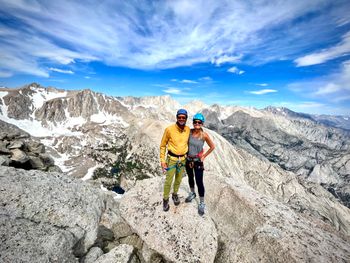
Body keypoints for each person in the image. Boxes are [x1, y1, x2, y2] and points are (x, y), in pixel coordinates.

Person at [160, 109, 191, 211]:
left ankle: (175, 194)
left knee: (178, 179)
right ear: (177, 117)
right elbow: (163, 145)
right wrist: (162, 161)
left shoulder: (187, 130)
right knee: (169, 180)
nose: (181, 119)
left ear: (186, 118)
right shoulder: (169, 129)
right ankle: (165, 199)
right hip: (172, 159)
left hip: (183, 159)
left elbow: (189, 143)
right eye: (179, 117)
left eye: (183, 117)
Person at [185, 113, 215, 215]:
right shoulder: (189, 132)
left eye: (199, 122)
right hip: (188, 159)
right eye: (195, 122)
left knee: (199, 181)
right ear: (193, 122)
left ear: (202, 124)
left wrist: (204, 156)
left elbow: (212, 147)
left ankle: (202, 203)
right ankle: (192, 193)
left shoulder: (204, 135)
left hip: (198, 161)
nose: (197, 124)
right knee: (190, 177)